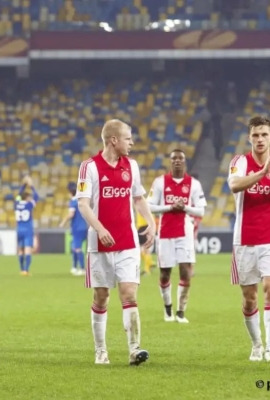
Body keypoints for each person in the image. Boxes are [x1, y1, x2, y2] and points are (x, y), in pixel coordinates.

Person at [76, 119, 156, 366]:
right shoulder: (89, 167)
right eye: (128, 138)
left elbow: (138, 198)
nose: (131, 143)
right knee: (101, 297)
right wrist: (100, 229)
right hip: (99, 244)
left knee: (129, 294)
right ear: (114, 140)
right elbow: (83, 204)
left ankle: (134, 349)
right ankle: (100, 350)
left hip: (127, 242)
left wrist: (151, 222)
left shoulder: (132, 166)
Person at [227, 116, 270, 363]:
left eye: (264, 134)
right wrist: (263, 172)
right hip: (244, 240)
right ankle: (257, 344)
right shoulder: (240, 162)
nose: (260, 139)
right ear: (249, 138)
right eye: (255, 135)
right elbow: (234, 185)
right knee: (249, 298)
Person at [147, 149, 207, 324]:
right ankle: (168, 308)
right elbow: (149, 206)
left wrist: (184, 207)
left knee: (185, 272)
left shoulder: (194, 184)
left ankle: (181, 312)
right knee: (165, 273)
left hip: (185, 233)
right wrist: (170, 207)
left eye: (180, 158)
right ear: (170, 161)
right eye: (174, 158)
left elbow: (201, 211)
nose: (177, 161)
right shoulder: (160, 182)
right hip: (165, 232)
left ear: (184, 161)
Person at [59, 182, 88, 276]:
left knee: (77, 248)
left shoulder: (73, 202)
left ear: (70, 192)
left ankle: (82, 269)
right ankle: (74, 267)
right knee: (75, 247)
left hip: (77, 228)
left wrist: (63, 222)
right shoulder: (82, 201)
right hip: (84, 227)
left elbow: (71, 214)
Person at [15, 176, 38, 275]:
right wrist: (31, 186)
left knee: (20, 250)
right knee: (28, 249)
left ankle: (21, 269)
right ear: (27, 198)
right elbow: (37, 197)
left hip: (19, 229)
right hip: (27, 229)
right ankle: (26, 270)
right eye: (29, 197)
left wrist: (24, 185)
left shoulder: (16, 204)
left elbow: (19, 195)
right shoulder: (29, 204)